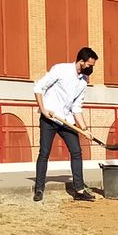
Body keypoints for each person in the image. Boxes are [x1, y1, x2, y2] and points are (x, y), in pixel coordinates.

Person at [33, 47, 98, 203]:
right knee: (45, 153)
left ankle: (79, 190)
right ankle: (39, 189)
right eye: (89, 65)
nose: (91, 69)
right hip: (49, 117)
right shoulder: (60, 69)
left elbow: (76, 107)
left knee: (76, 152)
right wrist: (43, 110)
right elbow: (38, 87)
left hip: (66, 119)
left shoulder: (84, 81)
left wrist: (84, 129)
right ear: (81, 61)